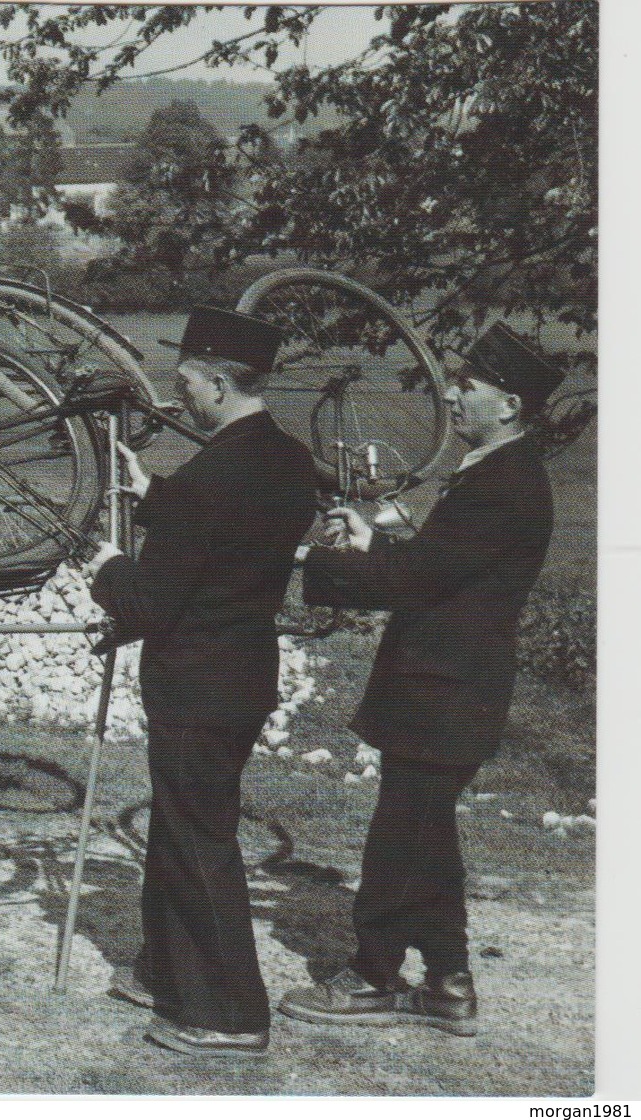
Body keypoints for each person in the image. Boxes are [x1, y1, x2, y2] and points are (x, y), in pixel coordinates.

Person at [279, 322, 563, 1038]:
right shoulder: (497, 472)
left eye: (466, 384)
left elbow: (414, 581)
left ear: (508, 405)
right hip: (446, 687)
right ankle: (447, 984)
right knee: (424, 836)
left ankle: (373, 979)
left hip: (446, 691)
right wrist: (377, 540)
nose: (451, 393)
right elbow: (443, 571)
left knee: (399, 841)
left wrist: (316, 563)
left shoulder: (504, 482)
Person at [89, 305, 319, 1057]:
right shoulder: (285, 460)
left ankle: (227, 1015)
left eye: (186, 380)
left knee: (198, 840)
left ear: (218, 383)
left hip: (194, 681)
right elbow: (228, 532)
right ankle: (167, 973)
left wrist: (107, 570)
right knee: (181, 826)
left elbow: (150, 601)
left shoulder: (213, 474)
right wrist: (152, 492)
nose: (177, 392)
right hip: (242, 669)